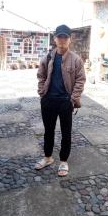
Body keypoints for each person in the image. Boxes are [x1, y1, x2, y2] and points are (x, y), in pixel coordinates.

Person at [35, 24, 86, 176]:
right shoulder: (48, 57)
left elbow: (80, 80)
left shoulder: (76, 60)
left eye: (65, 37)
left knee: (66, 132)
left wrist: (73, 99)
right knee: (48, 131)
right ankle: (48, 157)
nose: (62, 40)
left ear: (70, 40)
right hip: (48, 101)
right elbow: (41, 76)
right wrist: (41, 92)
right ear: (55, 39)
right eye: (59, 37)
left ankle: (63, 161)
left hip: (65, 102)